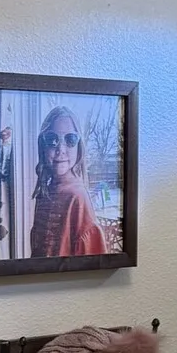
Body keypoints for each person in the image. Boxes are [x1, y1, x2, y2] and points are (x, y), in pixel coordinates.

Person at [28, 106, 106, 259]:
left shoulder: (77, 197)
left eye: (70, 140)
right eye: (52, 140)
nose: (60, 149)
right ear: (43, 146)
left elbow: (92, 261)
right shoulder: (44, 193)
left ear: (78, 147)